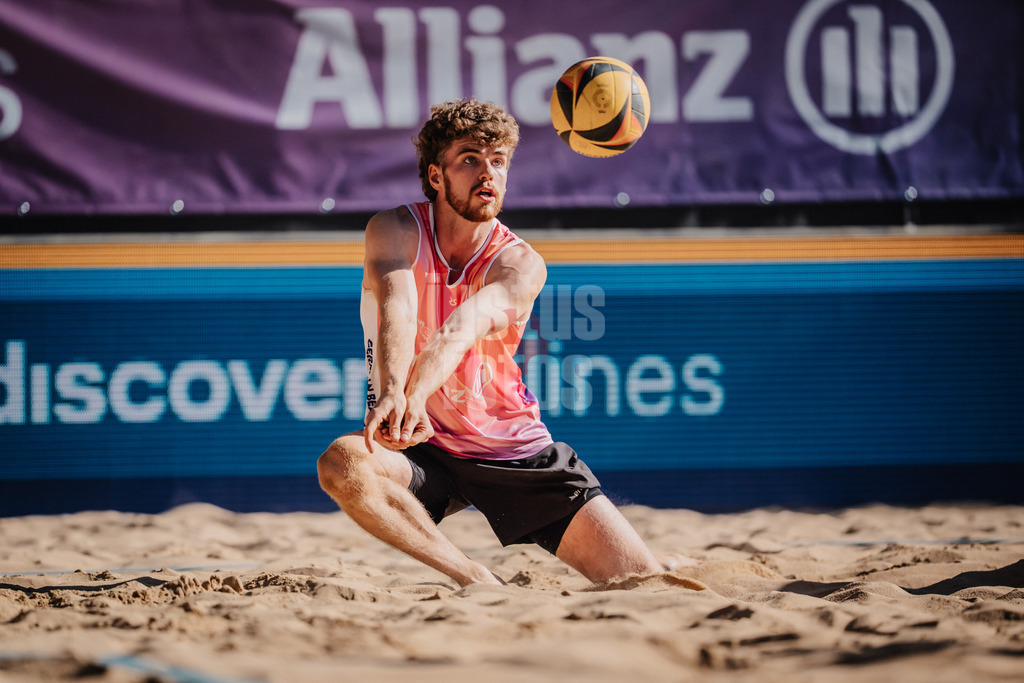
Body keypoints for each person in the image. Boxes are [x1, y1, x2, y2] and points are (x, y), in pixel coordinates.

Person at [318, 99, 687, 587]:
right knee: (343, 464)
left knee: (643, 581)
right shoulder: (394, 228)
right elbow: (398, 311)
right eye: (470, 158)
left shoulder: (520, 263)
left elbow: (460, 328)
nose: (487, 172)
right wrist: (393, 393)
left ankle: (668, 561)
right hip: (424, 448)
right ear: (435, 175)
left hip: (509, 450)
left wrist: (412, 395)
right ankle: (475, 578)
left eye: (498, 161)